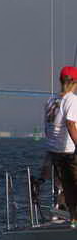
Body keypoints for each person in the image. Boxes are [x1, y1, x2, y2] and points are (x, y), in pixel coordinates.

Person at [45, 65, 77, 227]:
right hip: (68, 152)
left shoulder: (51, 101)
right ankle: (74, 219)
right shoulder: (71, 99)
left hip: (54, 151)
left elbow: (47, 127)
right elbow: (70, 123)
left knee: (67, 187)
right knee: (72, 185)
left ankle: (72, 218)